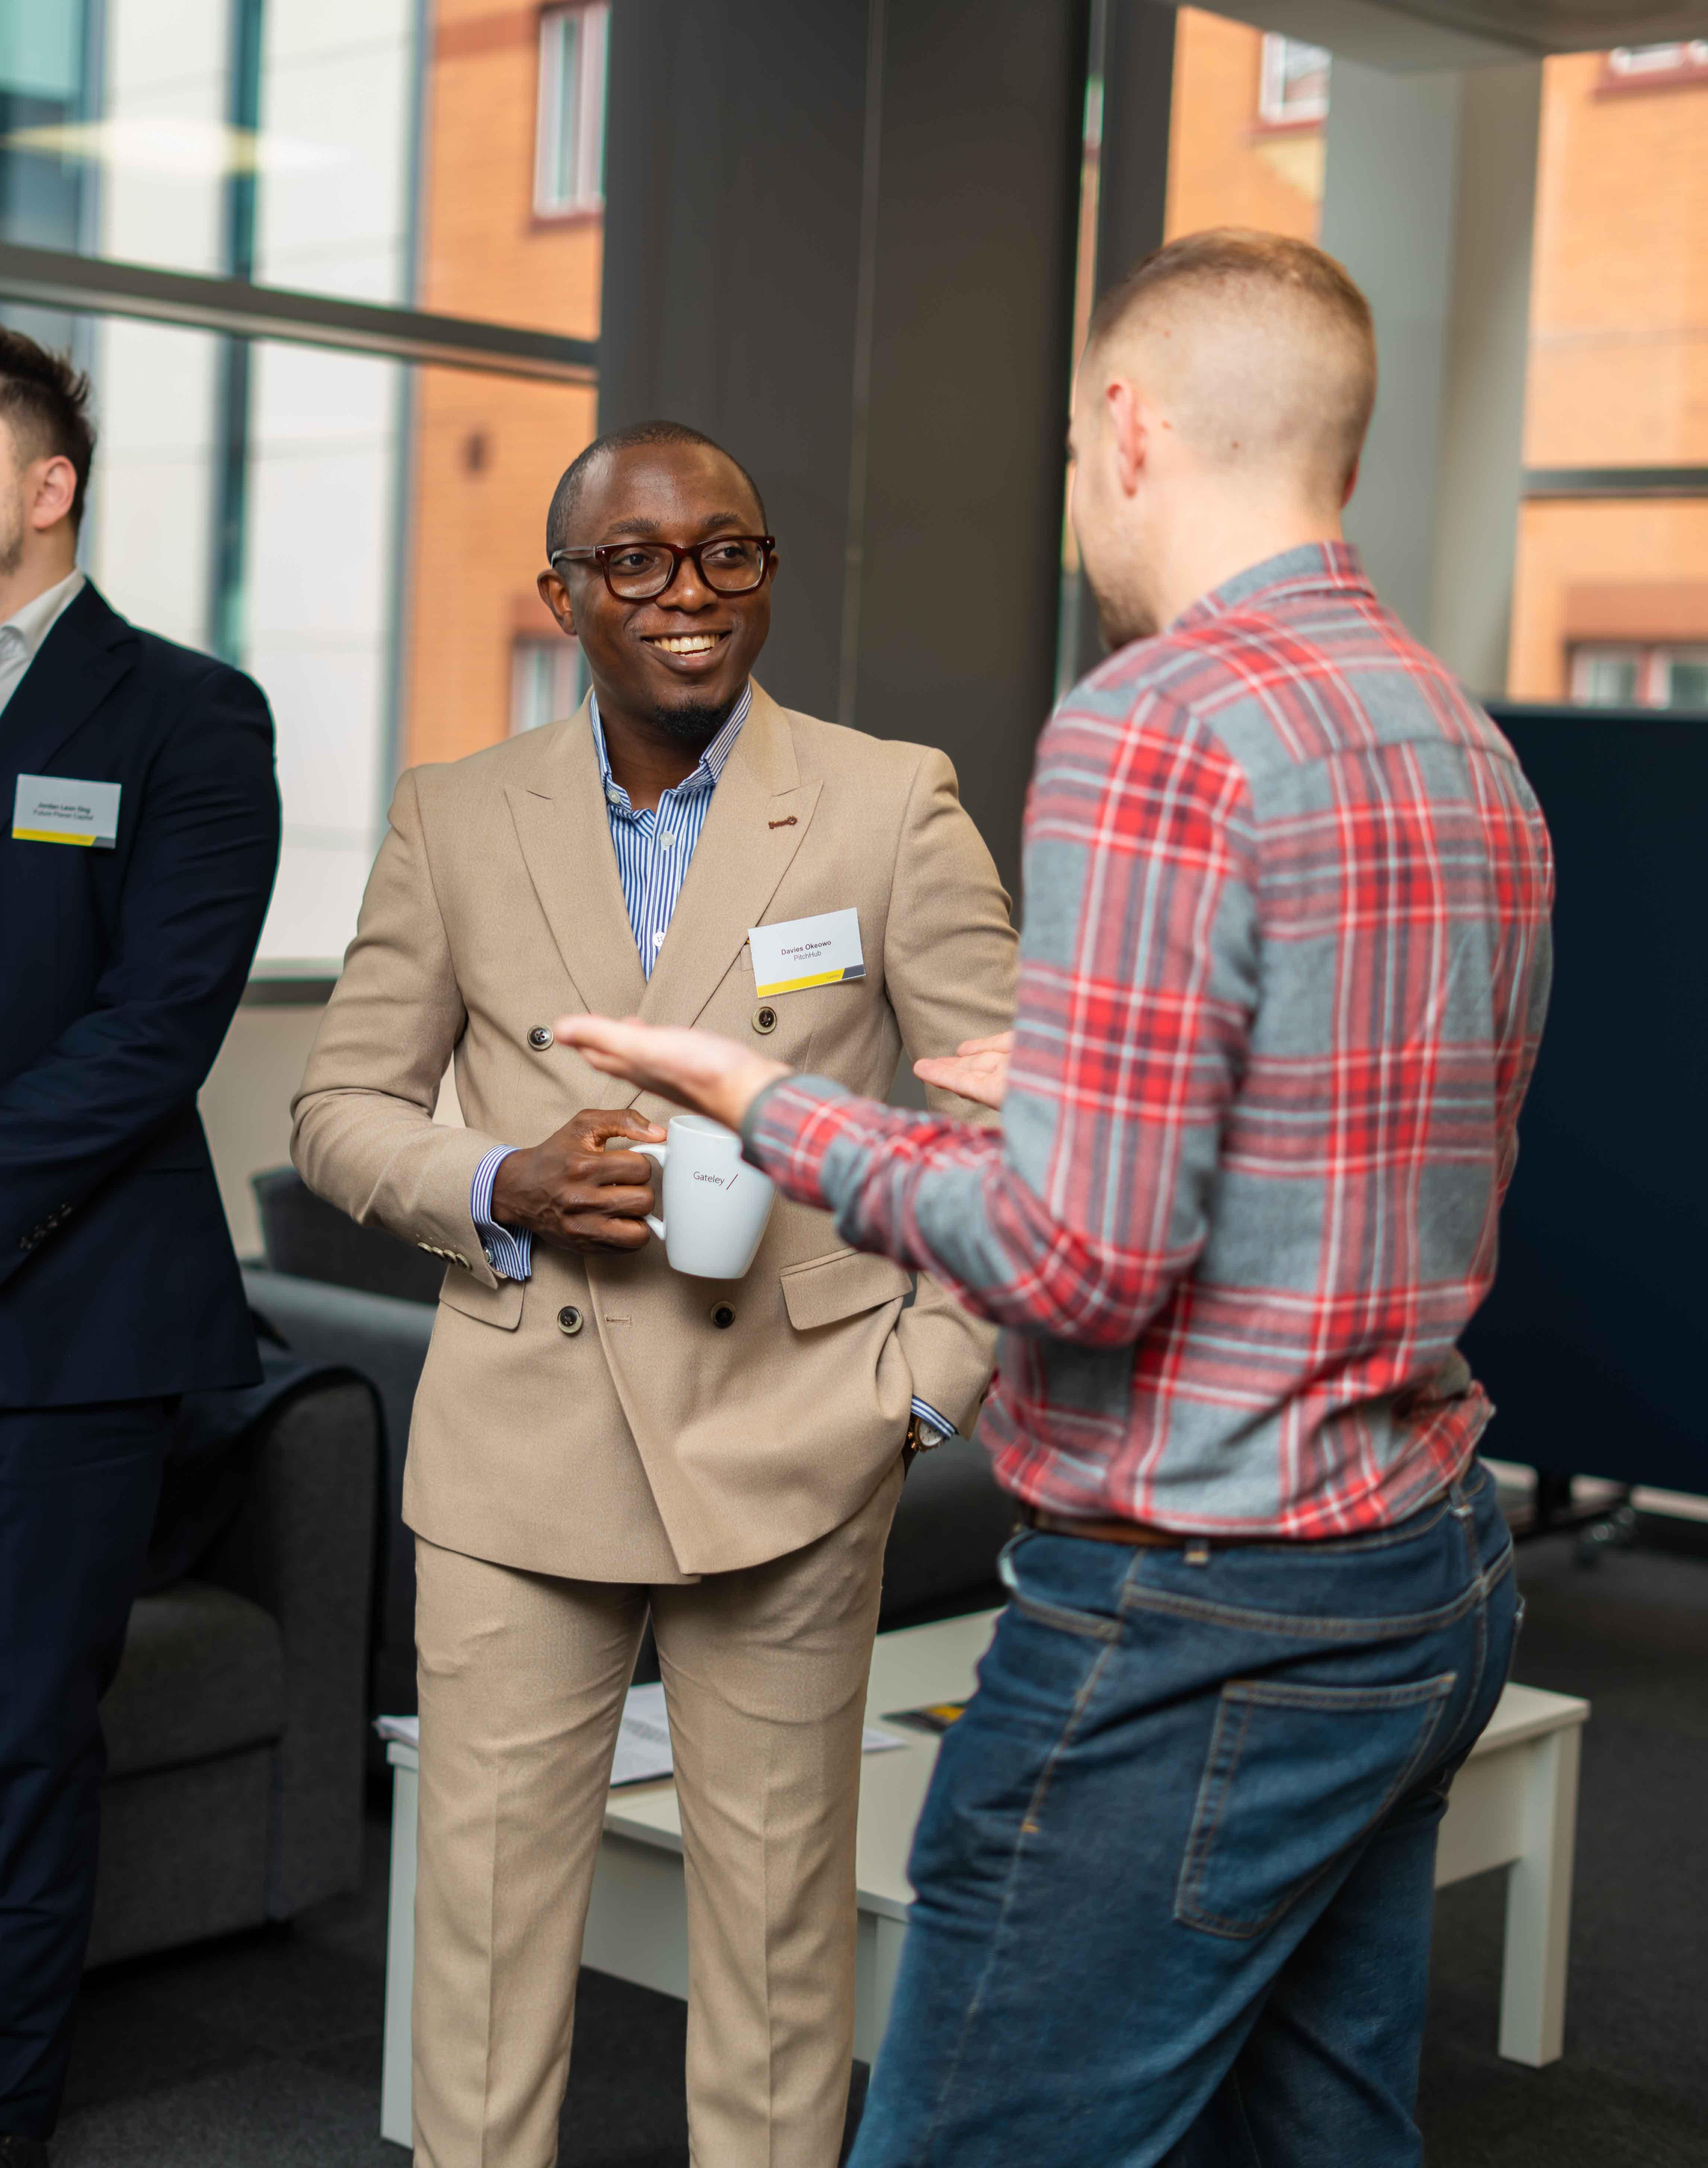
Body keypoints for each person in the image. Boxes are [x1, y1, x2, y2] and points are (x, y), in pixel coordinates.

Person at [553, 231, 1556, 2168]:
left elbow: (1080, 1263)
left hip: (1200, 1611)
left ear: (1126, 428)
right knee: (1318, 2138)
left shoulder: (1153, 725)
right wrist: (1090, 1095)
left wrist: (767, 1105)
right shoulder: (1460, 738)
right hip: (1425, 1563)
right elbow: (1377, 1135)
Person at [290, 419, 1017, 2168]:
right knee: (479, 1935)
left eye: (726, 552)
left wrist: (926, 1381)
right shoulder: (456, 811)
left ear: (766, 575)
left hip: (794, 1430)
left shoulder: (887, 798)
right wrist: (502, 1182)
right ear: (564, 596)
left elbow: (1014, 1117)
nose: (687, 590)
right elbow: (340, 1107)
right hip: (518, 1442)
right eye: (634, 559)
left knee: (774, 1944)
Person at [0, 317, 280, 2165]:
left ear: (47, 483)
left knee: (11, 1744)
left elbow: (157, 1031)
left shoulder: (185, 712)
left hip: (60, 1319)